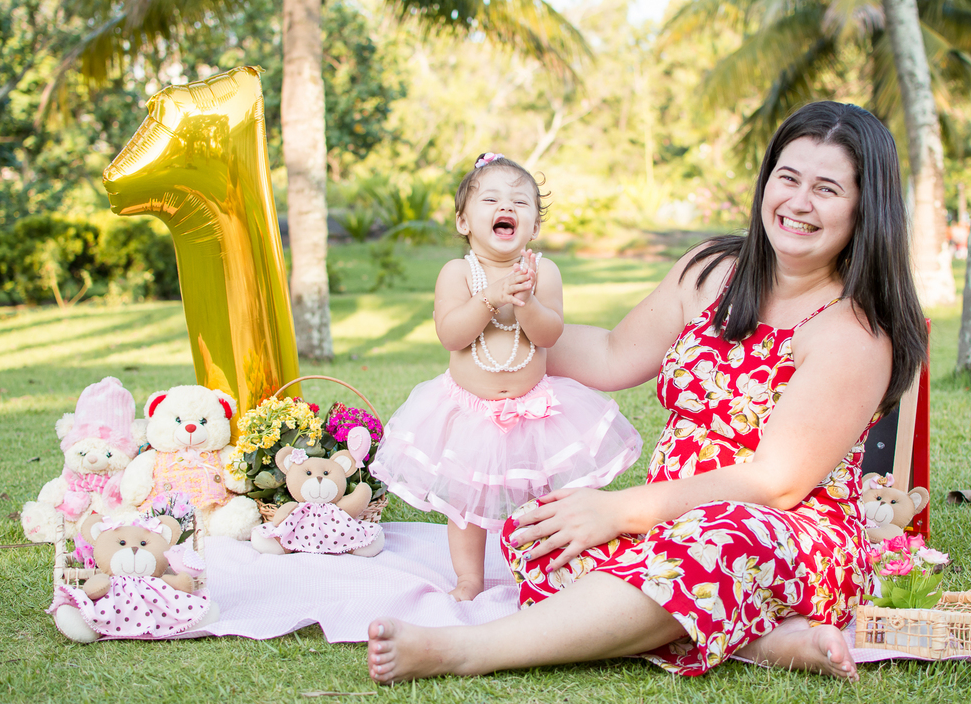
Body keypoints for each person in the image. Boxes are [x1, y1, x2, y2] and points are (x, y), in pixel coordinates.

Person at [367, 102, 929, 682]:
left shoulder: (854, 331)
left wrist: (615, 510)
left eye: (827, 189)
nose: (798, 202)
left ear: (865, 209)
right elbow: (613, 353)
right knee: (539, 530)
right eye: (787, 178)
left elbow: (776, 482)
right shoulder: (713, 270)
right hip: (671, 515)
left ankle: (467, 650)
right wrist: (498, 346)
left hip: (782, 529)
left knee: (712, 545)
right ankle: (760, 640)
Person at [369, 152, 642, 602]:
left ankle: (545, 570)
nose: (507, 207)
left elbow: (548, 334)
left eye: (520, 202)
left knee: (543, 499)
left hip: (535, 410)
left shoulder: (544, 272)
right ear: (463, 222)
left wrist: (528, 301)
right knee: (467, 507)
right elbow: (451, 335)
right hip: (468, 413)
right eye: (491, 198)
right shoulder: (457, 273)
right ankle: (469, 579)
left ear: (533, 227)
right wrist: (490, 298)